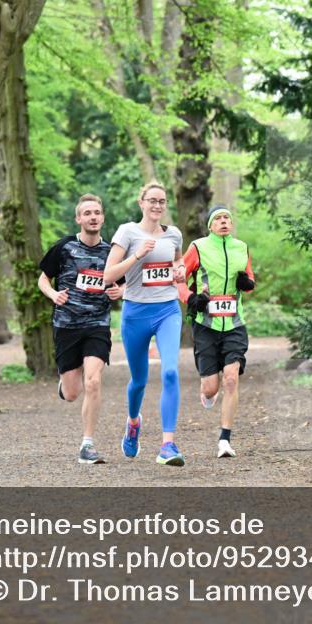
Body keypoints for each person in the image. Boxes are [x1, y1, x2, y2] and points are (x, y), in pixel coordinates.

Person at [103, 180, 188, 466]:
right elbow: (107, 275)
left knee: (171, 373)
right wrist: (137, 256)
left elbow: (178, 264)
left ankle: (167, 445)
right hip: (136, 312)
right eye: (152, 200)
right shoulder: (128, 232)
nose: (157, 205)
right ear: (141, 203)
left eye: (162, 201)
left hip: (167, 310)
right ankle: (133, 422)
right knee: (139, 380)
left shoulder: (174, 234)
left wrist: (179, 272)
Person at [37, 194, 124, 464]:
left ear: (103, 217)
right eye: (87, 213)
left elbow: (123, 284)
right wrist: (53, 295)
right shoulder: (63, 247)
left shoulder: (111, 252)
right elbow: (42, 279)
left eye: (97, 212)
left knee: (94, 381)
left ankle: (87, 444)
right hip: (67, 325)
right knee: (73, 393)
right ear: (79, 218)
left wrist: (118, 292)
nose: (93, 217)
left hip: (97, 324)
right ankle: (64, 386)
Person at [176, 205, 256, 458]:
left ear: (231, 224)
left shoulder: (241, 248)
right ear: (210, 225)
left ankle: (225, 440)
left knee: (231, 377)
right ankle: (207, 394)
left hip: (234, 323)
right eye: (218, 219)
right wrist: (191, 298)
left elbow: (250, 280)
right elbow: (178, 279)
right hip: (206, 325)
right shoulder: (198, 247)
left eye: (227, 218)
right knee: (211, 387)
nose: (223, 222)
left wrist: (247, 283)